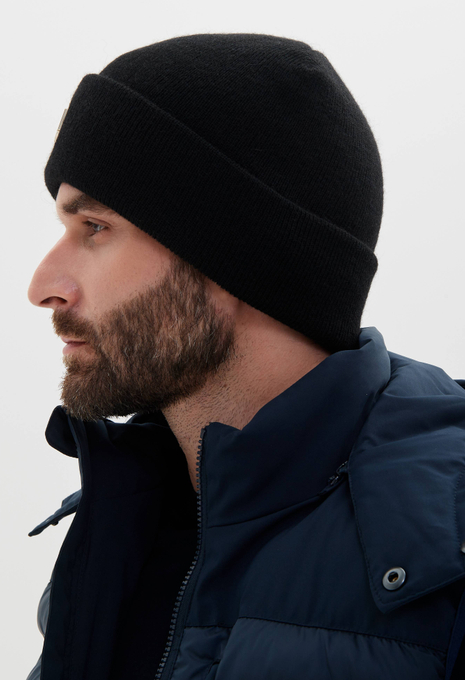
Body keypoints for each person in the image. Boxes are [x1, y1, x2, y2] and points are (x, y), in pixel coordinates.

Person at [25, 33, 465, 680]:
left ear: (234, 256)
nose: (42, 287)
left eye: (95, 227)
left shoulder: (444, 539)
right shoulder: (121, 522)